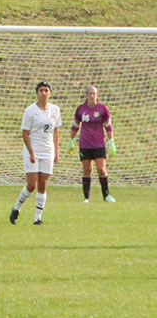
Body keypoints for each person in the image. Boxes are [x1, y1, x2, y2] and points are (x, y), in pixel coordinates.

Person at [10, 81, 61, 225]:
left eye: (46, 90)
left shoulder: (55, 110)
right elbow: (25, 133)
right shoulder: (30, 111)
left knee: (43, 184)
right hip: (33, 150)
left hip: (47, 150)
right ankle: (16, 208)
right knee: (32, 184)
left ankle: (37, 218)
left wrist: (56, 152)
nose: (44, 93)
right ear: (37, 93)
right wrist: (31, 152)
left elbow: (55, 133)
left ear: (50, 93)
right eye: (41, 90)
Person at [68, 86, 116, 203]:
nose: (92, 96)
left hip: (99, 143)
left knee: (101, 169)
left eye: (94, 93)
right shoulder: (81, 109)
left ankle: (106, 195)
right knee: (87, 169)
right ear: (86, 96)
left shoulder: (102, 109)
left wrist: (111, 142)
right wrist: (71, 140)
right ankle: (86, 197)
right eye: (89, 93)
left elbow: (108, 126)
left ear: (97, 96)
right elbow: (75, 126)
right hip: (85, 144)